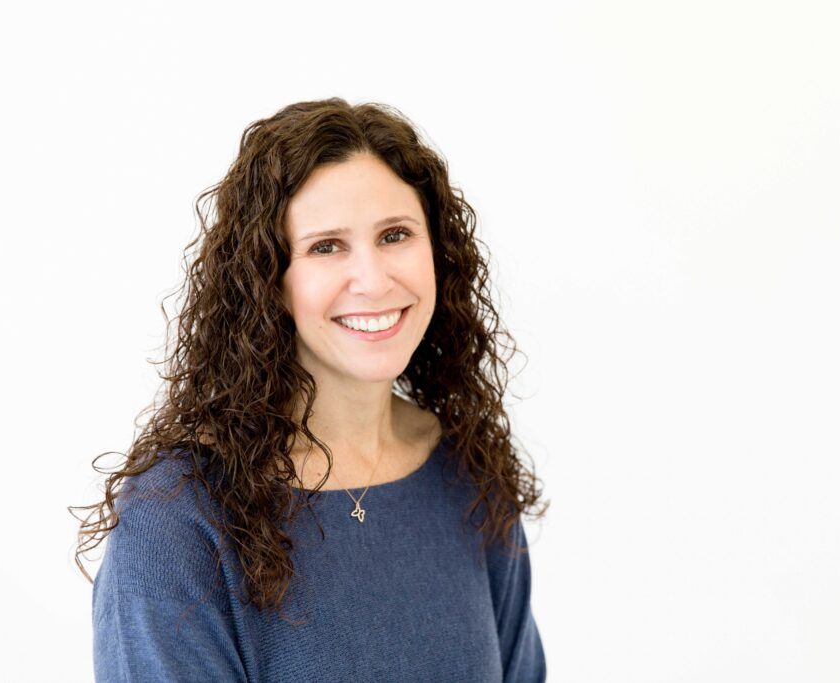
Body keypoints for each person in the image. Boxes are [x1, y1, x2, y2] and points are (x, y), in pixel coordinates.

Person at [69, 97, 550, 682]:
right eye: (326, 247)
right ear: (266, 279)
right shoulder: (177, 519)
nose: (373, 280)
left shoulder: (468, 474)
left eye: (395, 235)